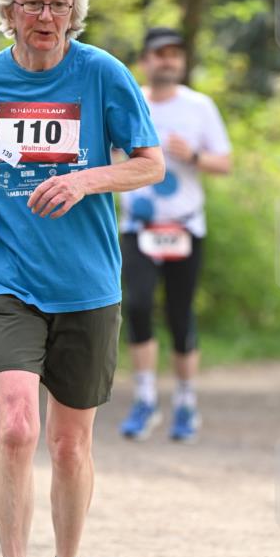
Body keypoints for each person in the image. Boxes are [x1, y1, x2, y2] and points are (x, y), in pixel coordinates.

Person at [0, 0, 163, 557]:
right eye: (32, 3)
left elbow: (148, 164)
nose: (46, 15)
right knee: (16, 426)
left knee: (71, 445)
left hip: (86, 283)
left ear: (75, 13)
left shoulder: (102, 75)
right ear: (7, 13)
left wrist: (83, 180)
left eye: (59, 4)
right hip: (4, 273)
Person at [119, 27, 231, 443]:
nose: (168, 61)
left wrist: (195, 156)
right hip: (137, 227)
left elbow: (225, 163)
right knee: (138, 305)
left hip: (185, 226)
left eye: (175, 54)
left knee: (181, 316)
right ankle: (145, 399)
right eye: (160, 54)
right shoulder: (130, 103)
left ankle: (185, 403)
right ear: (145, 61)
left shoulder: (200, 107)